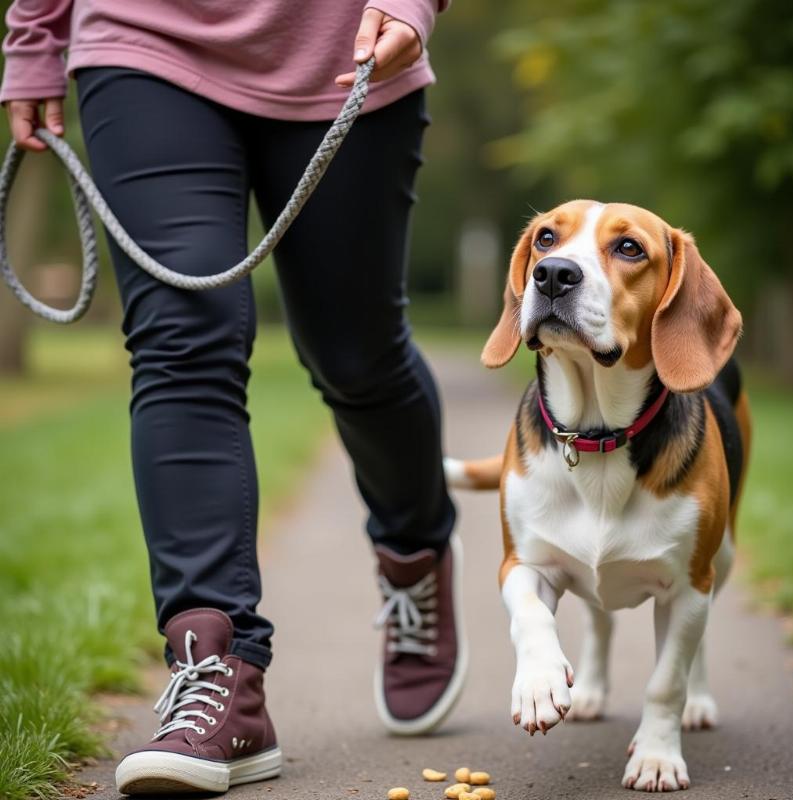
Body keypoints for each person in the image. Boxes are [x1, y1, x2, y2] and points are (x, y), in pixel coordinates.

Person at [1, 0, 466, 794]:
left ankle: (413, 550)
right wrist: (35, 35)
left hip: (345, 45)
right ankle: (218, 670)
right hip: (144, 41)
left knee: (357, 358)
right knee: (183, 343)